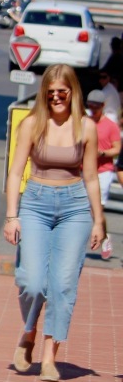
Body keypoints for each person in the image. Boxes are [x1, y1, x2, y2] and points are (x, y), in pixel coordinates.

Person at [4, 65, 107, 381]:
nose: (57, 98)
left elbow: (90, 176)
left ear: (73, 93)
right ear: (44, 94)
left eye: (63, 93)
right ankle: (29, 332)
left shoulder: (86, 127)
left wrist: (99, 220)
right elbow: (15, 171)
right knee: (32, 281)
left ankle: (50, 356)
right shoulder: (33, 124)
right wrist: (12, 216)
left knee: (63, 284)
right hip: (36, 203)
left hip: (75, 207)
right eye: (51, 93)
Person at [86, 89, 120, 259]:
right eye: (90, 105)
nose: (93, 109)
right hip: (85, 170)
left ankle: (105, 237)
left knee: (96, 209)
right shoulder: (85, 122)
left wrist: (103, 153)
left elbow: (117, 148)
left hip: (103, 171)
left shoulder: (111, 126)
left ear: (103, 106)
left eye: (96, 106)